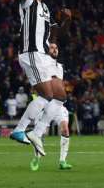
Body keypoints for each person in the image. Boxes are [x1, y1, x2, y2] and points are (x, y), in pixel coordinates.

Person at [10, 0, 71, 159]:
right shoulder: (28, 3)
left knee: (60, 96)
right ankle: (21, 129)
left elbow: (59, 34)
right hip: (31, 53)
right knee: (46, 95)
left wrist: (67, 21)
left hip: (42, 56)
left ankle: (36, 133)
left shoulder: (44, 9)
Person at [30, 42, 72, 171]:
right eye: (51, 48)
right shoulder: (41, 64)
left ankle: (62, 161)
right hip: (45, 103)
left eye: (56, 48)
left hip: (58, 104)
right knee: (41, 134)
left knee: (65, 129)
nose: (54, 50)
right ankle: (36, 158)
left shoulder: (60, 66)